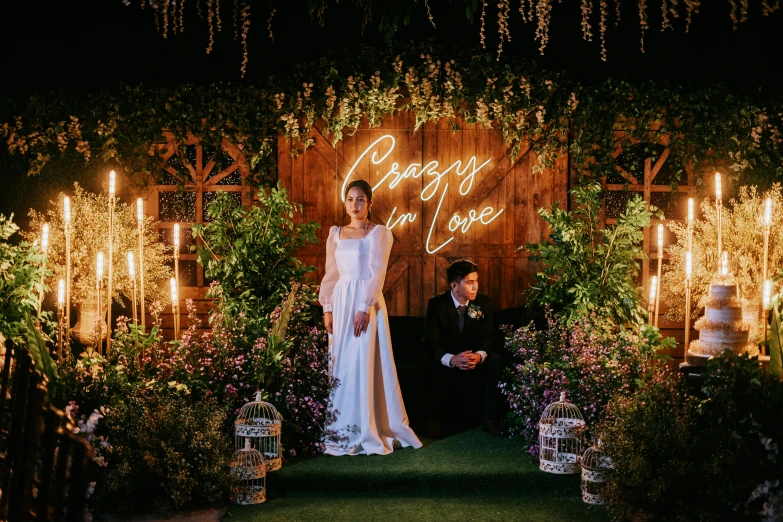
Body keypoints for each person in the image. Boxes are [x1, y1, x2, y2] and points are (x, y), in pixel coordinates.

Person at [318, 179, 422, 455]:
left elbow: (377, 273)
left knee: (363, 361)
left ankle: (368, 426)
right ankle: (341, 427)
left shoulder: (378, 233)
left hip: (366, 300)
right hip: (341, 301)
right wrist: (327, 307)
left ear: (370, 203)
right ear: (345, 203)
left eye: (361, 200)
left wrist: (364, 307)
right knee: (342, 364)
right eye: (351, 199)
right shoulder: (336, 233)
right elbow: (331, 273)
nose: (355, 205)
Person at [424, 259, 505, 437]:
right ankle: (434, 419)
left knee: (496, 360)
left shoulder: (483, 302)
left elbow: (489, 337)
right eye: (470, 283)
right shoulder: (437, 304)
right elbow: (431, 342)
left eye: (476, 281)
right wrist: (451, 359)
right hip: (449, 358)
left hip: (474, 358)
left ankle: (490, 419)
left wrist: (479, 355)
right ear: (454, 285)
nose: (475, 287)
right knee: (429, 360)